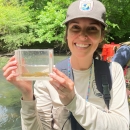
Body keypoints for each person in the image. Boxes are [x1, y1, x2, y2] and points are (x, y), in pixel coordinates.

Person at [2, 0, 129, 130]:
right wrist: (27, 95)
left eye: (92, 29)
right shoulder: (48, 76)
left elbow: (122, 126)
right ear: (67, 34)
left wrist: (73, 101)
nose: (83, 36)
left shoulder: (113, 71)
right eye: (75, 27)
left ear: (101, 36)